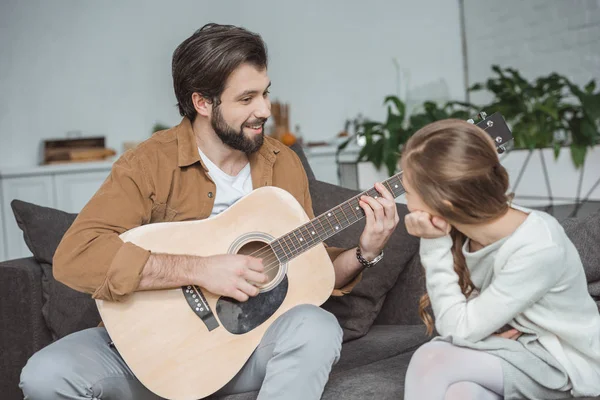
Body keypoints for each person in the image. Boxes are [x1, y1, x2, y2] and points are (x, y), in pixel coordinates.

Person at [19, 23, 400, 400]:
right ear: (203, 103)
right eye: (247, 98)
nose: (264, 110)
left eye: (265, 93)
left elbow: (307, 274)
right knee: (46, 375)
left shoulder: (282, 163)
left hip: (251, 349)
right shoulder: (148, 164)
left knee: (318, 326)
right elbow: (77, 255)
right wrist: (200, 269)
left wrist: (366, 251)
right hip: (155, 354)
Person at [399, 118, 600, 399]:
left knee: (432, 359)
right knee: (462, 392)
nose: (405, 205)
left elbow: (458, 328)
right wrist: (478, 338)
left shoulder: (538, 246)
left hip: (563, 363)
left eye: (407, 193)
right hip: (516, 351)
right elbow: (468, 327)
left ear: (444, 203)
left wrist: (433, 244)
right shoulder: (469, 231)